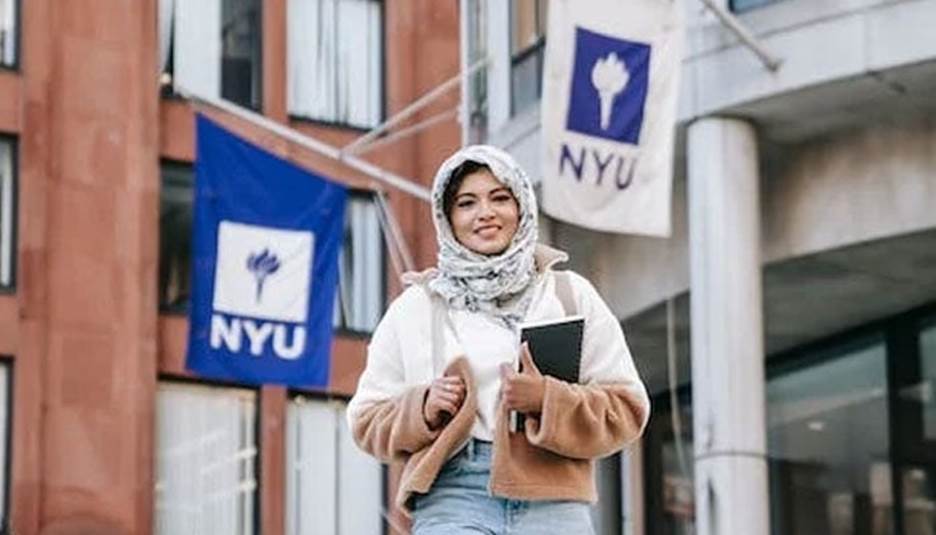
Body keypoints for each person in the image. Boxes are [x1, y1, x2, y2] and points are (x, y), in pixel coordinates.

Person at [347, 145, 650, 534]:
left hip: (554, 499)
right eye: (467, 203)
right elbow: (366, 420)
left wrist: (546, 400)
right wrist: (422, 407)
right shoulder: (417, 307)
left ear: (521, 207)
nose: (485, 213)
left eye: (500, 198)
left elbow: (627, 409)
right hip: (452, 494)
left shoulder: (569, 295)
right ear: (448, 217)